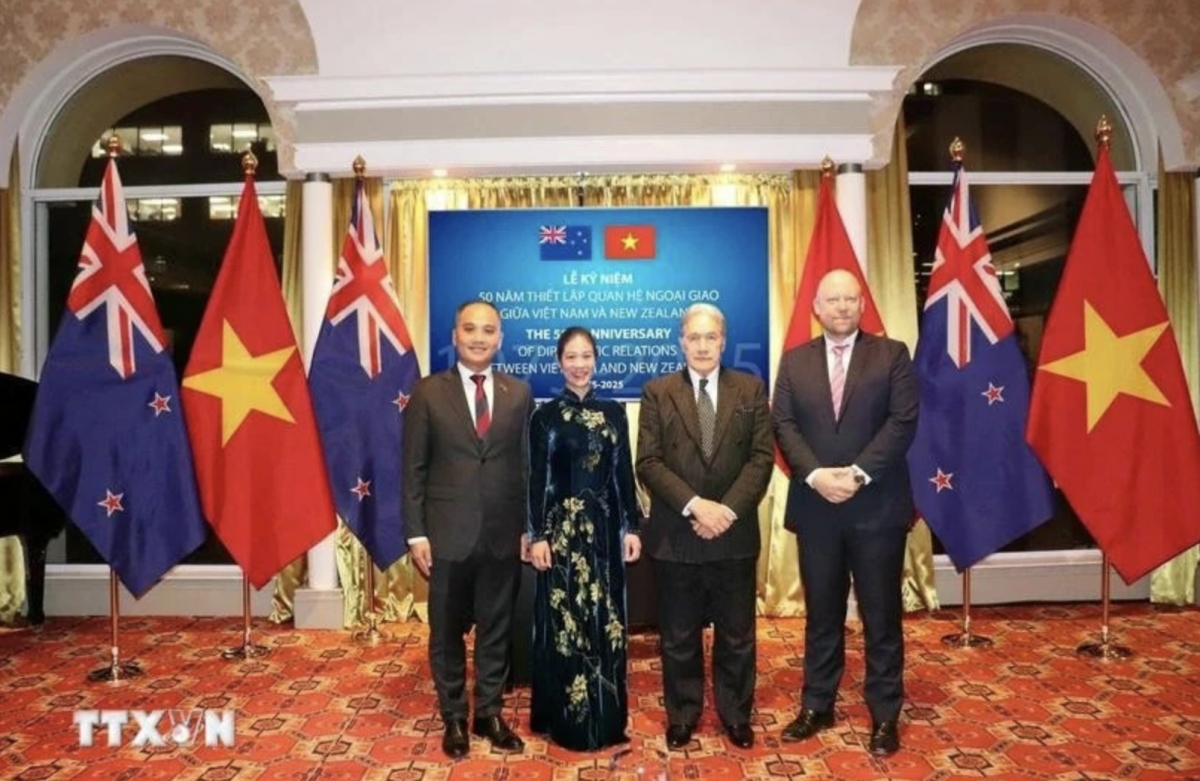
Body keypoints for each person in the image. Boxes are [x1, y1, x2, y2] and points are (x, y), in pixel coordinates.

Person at [771, 269, 918, 757]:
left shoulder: (891, 354)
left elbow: (903, 422)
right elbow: (784, 424)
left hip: (875, 506)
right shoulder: (794, 362)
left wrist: (854, 475)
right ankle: (817, 703)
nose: (840, 307)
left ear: (861, 304)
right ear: (816, 306)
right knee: (822, 614)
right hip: (817, 509)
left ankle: (884, 714)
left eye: (849, 300)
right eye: (831, 300)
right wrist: (816, 476)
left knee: (881, 615)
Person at [635, 303, 774, 750]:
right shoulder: (658, 392)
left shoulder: (751, 390)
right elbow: (649, 463)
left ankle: (736, 713)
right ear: (681, 342)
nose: (701, 345)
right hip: (678, 536)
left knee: (737, 635)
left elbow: (761, 459)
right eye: (692, 337)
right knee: (678, 636)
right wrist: (697, 507)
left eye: (709, 337)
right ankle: (683, 714)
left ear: (723, 341)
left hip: (733, 535)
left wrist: (725, 512)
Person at [402, 299, 535, 759]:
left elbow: (526, 467)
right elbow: (413, 468)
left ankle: (490, 714)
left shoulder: (519, 393)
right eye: (470, 329)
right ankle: (455, 717)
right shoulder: (427, 393)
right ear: (454, 335)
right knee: (445, 633)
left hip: (503, 534)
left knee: (497, 630)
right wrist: (416, 533)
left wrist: (529, 528)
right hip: (445, 537)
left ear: (500, 338)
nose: (479, 337)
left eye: (488, 330)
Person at [526, 326, 643, 752]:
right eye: (571, 356)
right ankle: (569, 723)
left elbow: (623, 475)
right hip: (560, 538)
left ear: (597, 359)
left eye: (586, 355)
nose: (579, 364)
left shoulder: (614, 412)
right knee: (565, 626)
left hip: (607, 535)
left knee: (606, 623)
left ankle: (608, 720)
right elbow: (537, 480)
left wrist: (632, 527)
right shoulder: (545, 417)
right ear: (559, 362)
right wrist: (537, 534)